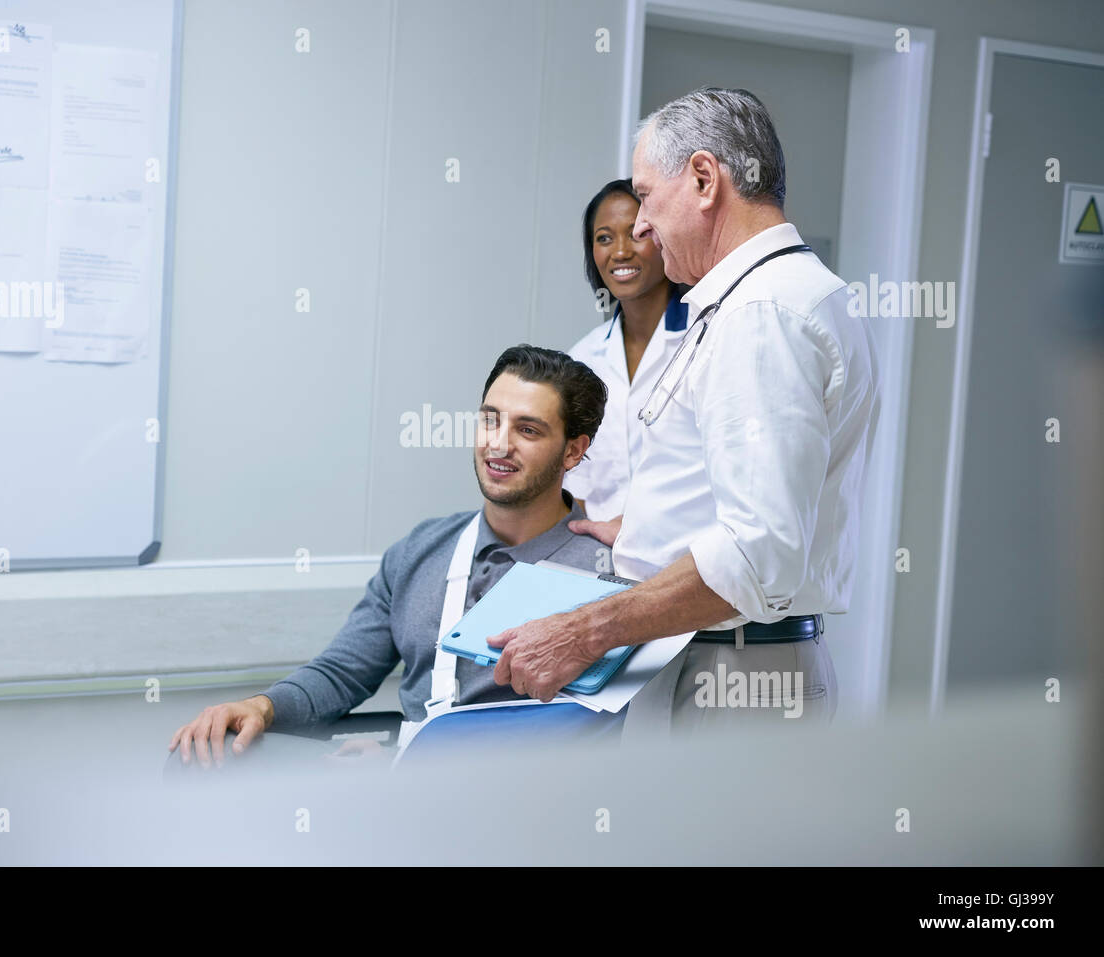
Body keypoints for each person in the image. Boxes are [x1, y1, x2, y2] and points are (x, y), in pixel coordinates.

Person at [490, 87, 879, 734]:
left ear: (704, 178)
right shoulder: (774, 298)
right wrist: (651, 526)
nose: (640, 225)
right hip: (710, 659)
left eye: (645, 195)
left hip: (733, 676)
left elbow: (758, 556)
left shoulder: (764, 316)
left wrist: (582, 632)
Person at [166, 345, 617, 769]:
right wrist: (259, 707)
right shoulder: (421, 549)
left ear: (573, 451)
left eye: (528, 430)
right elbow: (343, 673)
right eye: (489, 420)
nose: (498, 444)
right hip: (407, 792)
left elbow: (603, 729)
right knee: (206, 760)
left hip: (528, 808)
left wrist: (403, 761)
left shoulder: (605, 570)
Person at [565, 178, 692, 522]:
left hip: (683, 561)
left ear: (664, 237)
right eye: (604, 238)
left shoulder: (706, 338)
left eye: (637, 233)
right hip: (595, 559)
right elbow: (575, 487)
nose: (620, 251)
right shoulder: (582, 360)